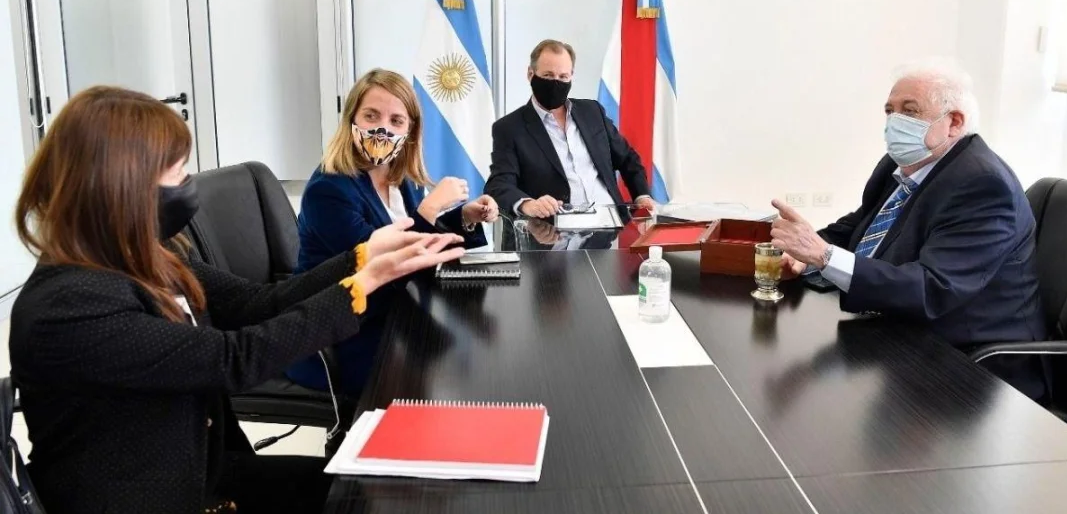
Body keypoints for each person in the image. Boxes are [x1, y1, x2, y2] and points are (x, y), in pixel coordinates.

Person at [9, 86, 464, 513]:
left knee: (381, 493)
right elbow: (234, 359)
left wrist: (360, 257)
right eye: (177, 172)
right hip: (150, 497)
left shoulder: (153, 254)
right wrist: (361, 287)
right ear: (120, 186)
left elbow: (256, 303)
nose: (188, 184)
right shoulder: (69, 308)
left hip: (205, 473)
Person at [769, 59, 1046, 400]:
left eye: (909, 111)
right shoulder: (904, 163)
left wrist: (824, 256)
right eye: (890, 111)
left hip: (974, 371)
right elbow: (857, 227)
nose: (894, 122)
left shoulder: (984, 184)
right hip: (899, 334)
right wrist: (803, 255)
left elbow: (933, 288)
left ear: (954, 122)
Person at [287, 69, 497, 395]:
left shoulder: (401, 178)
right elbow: (383, 266)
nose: (383, 129)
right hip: (343, 330)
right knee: (447, 380)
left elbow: (417, 237)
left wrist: (463, 218)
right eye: (371, 116)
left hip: (395, 312)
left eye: (396, 121)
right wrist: (429, 210)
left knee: (477, 356)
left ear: (410, 131)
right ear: (351, 119)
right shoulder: (328, 189)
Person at [484, 39, 656, 217]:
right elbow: (499, 184)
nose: (555, 83)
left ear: (571, 76)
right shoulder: (510, 128)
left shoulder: (592, 111)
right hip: (554, 228)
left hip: (613, 222)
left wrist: (642, 195)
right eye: (548, 75)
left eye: (563, 77)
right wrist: (528, 204)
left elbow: (627, 158)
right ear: (530, 74)